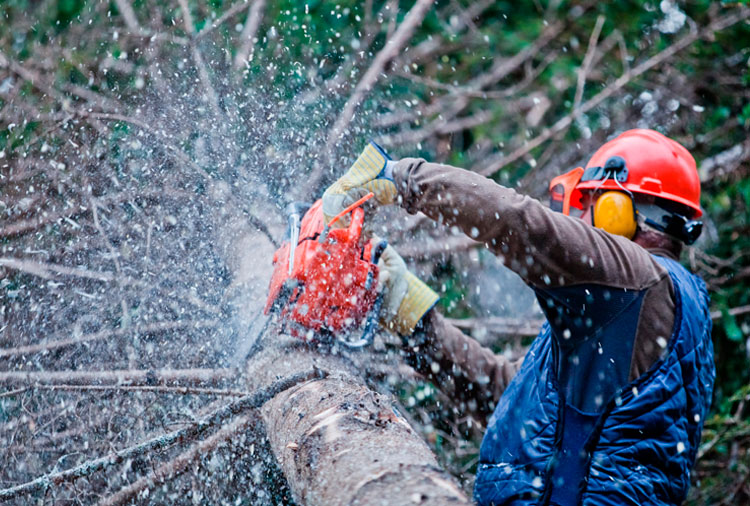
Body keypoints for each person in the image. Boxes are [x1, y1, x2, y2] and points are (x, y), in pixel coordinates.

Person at [322, 129, 715, 506]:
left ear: (619, 211)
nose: (581, 221)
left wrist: (399, 177)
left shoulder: (636, 281)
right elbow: (516, 404)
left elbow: (522, 225)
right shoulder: (641, 307)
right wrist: (416, 321)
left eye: (591, 205)